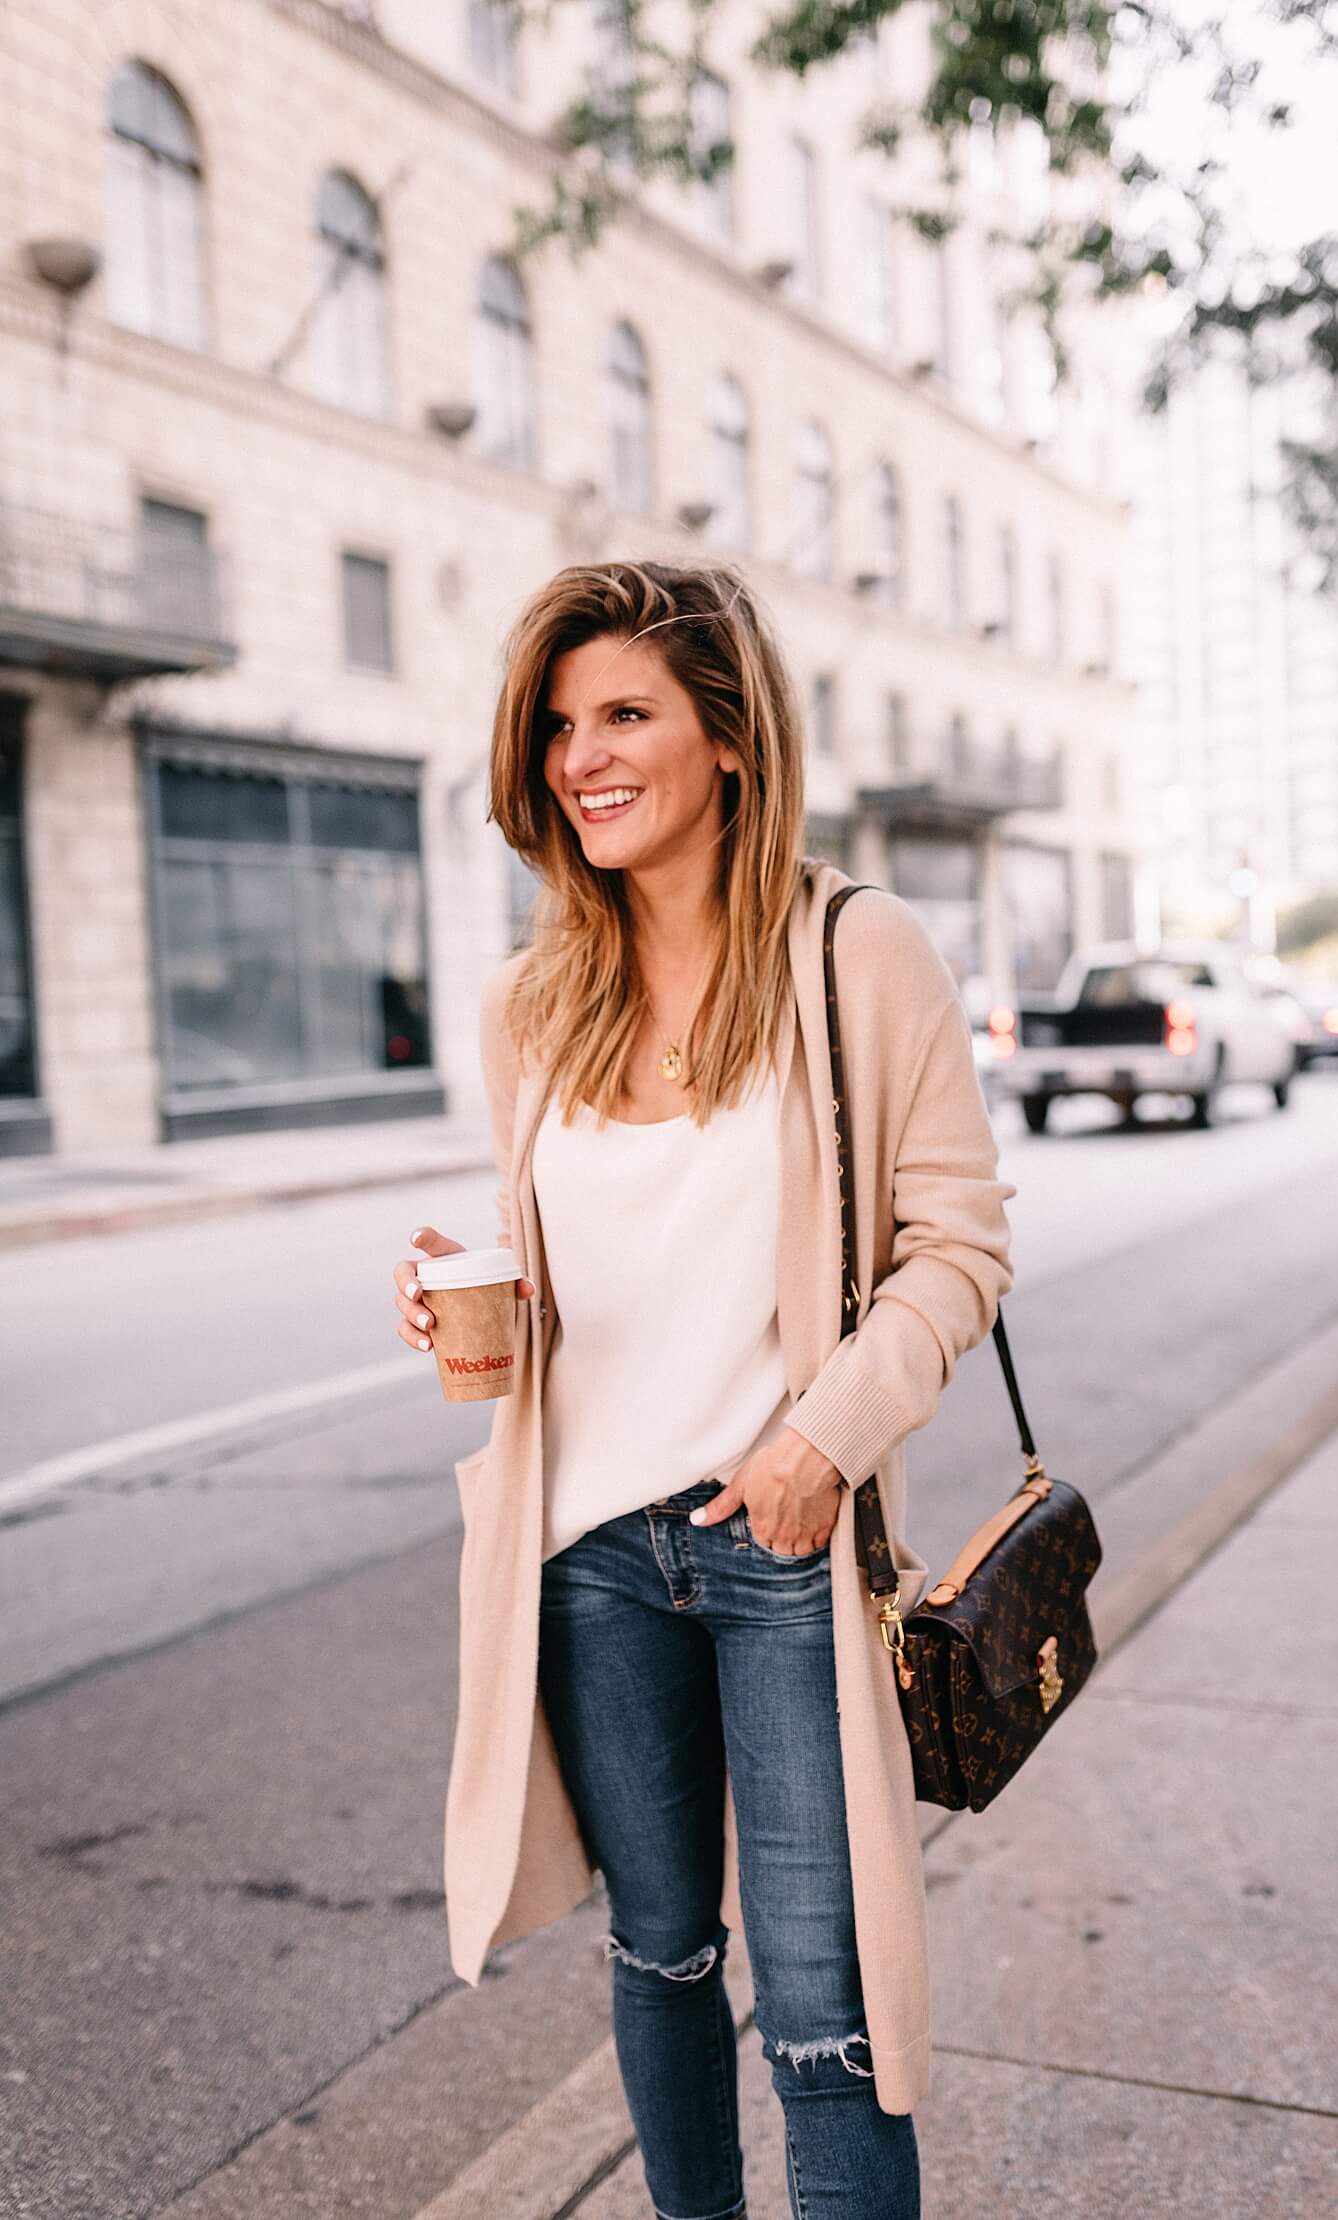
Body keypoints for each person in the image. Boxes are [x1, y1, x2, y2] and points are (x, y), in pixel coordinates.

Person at [391, 560, 1015, 2219]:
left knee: (824, 2020)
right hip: (588, 1557)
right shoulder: (534, 1003)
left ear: (728, 739)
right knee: (660, 1959)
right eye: (557, 727)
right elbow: (580, 1295)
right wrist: (466, 1309)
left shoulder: (854, 954)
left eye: (624, 715)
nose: (578, 756)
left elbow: (957, 1252)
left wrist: (825, 1438)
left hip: (782, 1546)